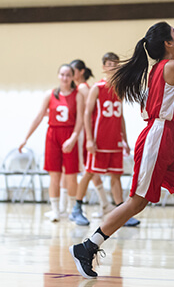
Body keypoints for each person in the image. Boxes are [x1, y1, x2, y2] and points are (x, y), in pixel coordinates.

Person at [69, 21, 174, 278]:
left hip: (167, 138)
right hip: (156, 139)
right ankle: (87, 247)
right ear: (167, 43)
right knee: (137, 203)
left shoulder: (159, 70)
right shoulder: (172, 66)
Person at [69, 53, 139, 227]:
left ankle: (121, 213)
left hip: (114, 140)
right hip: (99, 140)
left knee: (116, 176)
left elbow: (120, 116)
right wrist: (90, 140)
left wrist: (125, 140)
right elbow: (86, 114)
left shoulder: (120, 88)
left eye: (115, 64)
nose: (113, 67)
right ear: (103, 67)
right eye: (109, 64)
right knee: (89, 173)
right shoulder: (97, 88)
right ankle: (76, 208)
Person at [19, 64, 84, 222]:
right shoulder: (50, 94)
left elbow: (81, 119)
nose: (64, 77)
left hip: (69, 135)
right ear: (58, 76)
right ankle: (55, 210)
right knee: (54, 176)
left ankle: (70, 210)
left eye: (68, 75)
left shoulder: (78, 95)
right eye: (62, 74)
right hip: (52, 135)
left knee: (71, 176)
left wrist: (73, 138)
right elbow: (39, 116)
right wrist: (25, 138)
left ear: (72, 77)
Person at [70, 59, 114, 217]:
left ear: (81, 72)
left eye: (72, 71)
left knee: (88, 170)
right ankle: (105, 204)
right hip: (84, 132)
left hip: (84, 133)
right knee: (91, 171)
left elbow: (93, 107)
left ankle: (76, 206)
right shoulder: (80, 87)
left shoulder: (83, 87)